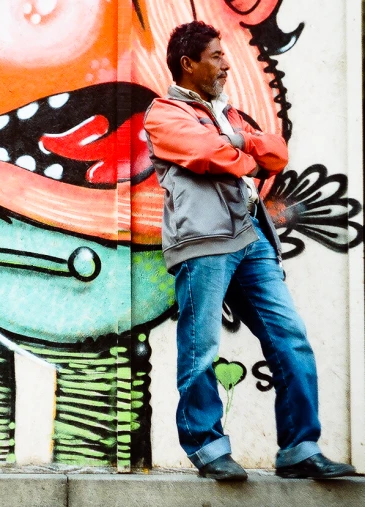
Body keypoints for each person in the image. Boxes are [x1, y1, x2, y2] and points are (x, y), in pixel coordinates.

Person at [143, 21, 357, 481]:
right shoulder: (163, 114)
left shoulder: (232, 115)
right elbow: (209, 156)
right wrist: (241, 151)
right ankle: (207, 447)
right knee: (201, 349)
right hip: (203, 242)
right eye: (217, 56)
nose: (226, 63)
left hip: (253, 237)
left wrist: (237, 140)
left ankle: (299, 447)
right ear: (189, 63)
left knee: (289, 337)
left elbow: (276, 153)